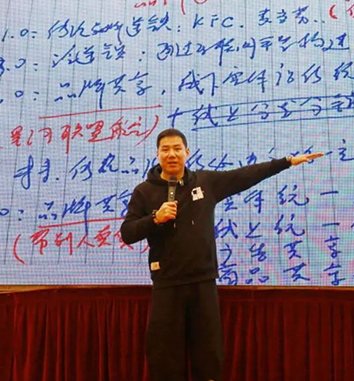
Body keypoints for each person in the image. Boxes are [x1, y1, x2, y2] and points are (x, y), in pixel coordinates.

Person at [120, 128, 324, 381]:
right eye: (165, 149)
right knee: (164, 355)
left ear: (187, 152)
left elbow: (245, 175)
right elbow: (127, 233)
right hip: (166, 283)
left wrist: (286, 162)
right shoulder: (144, 191)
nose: (171, 154)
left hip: (203, 282)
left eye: (177, 149)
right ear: (157, 154)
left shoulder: (205, 182)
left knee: (208, 352)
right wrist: (155, 218)